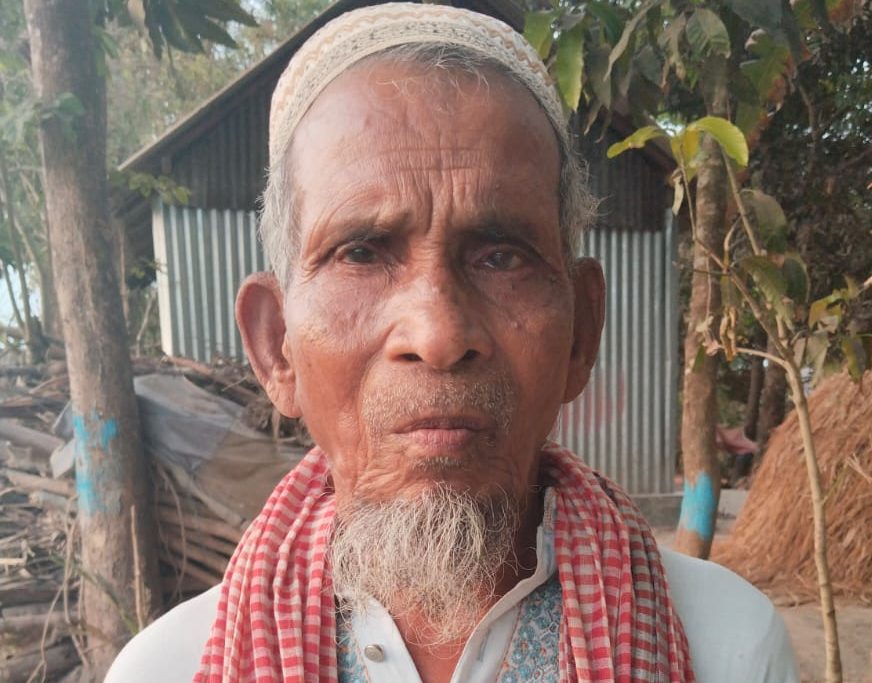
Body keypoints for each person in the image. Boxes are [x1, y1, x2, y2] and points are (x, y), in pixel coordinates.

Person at [106, 4, 799, 682]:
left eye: (501, 256)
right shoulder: (166, 670)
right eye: (361, 253)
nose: (438, 335)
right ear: (276, 345)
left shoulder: (729, 647)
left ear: (581, 333)